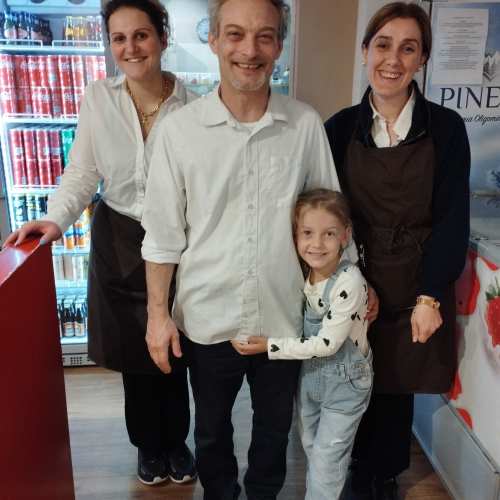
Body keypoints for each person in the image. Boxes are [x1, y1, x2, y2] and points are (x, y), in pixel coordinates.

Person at [140, 0, 371, 498]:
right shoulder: (179, 131)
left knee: (273, 432)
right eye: (235, 34)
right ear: (214, 40)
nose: (250, 50)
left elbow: (329, 219)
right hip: (207, 316)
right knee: (210, 432)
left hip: (283, 316)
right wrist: (157, 315)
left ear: (279, 45)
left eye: (264, 36)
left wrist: (352, 288)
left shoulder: (304, 125)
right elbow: (161, 235)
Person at [3, 0, 196, 487]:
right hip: (120, 238)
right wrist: (54, 219)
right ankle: (148, 445)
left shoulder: (194, 106)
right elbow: (82, 171)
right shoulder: (98, 98)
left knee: (174, 347)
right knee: (135, 354)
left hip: (178, 241)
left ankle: (178, 441)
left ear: (162, 38)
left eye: (141, 35)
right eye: (119, 38)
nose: (130, 48)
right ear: (110, 45)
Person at [324, 3, 470, 499]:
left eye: (408, 48)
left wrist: (431, 295)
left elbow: (451, 217)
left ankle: (383, 475)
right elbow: (328, 213)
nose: (393, 59)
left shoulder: (446, 128)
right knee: (350, 378)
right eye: (383, 45)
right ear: (365, 51)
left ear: (422, 58)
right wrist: (344, 277)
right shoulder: (339, 128)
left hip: (415, 279)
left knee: (395, 384)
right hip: (353, 275)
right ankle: (352, 469)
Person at [232, 188, 373, 500]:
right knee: (312, 447)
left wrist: (270, 346)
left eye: (329, 234)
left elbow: (327, 344)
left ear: (345, 235)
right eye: (307, 233)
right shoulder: (305, 274)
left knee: (325, 462)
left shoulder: (349, 282)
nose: (317, 244)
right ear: (295, 236)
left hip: (345, 383)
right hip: (311, 380)